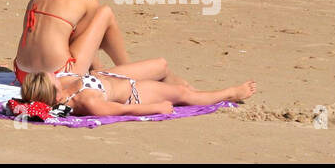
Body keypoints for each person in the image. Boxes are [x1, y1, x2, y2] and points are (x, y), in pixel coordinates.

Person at [13, 0, 134, 82]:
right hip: (56, 77)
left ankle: (101, 70)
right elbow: (81, 41)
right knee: (105, 13)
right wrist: (93, 2)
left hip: (23, 75)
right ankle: (129, 71)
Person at [19, 64, 256, 118]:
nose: (52, 73)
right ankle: (230, 93)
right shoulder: (88, 102)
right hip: (135, 92)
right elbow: (123, 110)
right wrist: (156, 108)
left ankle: (180, 86)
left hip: (114, 76)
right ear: (56, 95)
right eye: (50, 78)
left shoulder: (61, 88)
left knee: (162, 65)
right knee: (185, 95)